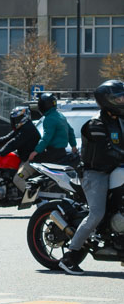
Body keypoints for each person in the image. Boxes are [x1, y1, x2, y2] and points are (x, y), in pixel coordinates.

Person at [58, 79, 124, 275]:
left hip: (114, 170)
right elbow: (108, 151)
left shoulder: (119, 120)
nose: (122, 101)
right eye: (119, 98)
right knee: (97, 214)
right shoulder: (95, 124)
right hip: (96, 173)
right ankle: (69, 257)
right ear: (107, 100)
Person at [28, 93, 79, 165]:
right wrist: (73, 146)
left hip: (52, 153)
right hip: (62, 152)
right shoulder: (60, 115)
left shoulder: (49, 118)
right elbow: (70, 131)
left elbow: (46, 138)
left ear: (43, 105)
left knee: (30, 163)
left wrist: (35, 151)